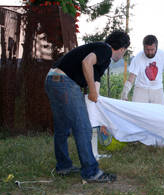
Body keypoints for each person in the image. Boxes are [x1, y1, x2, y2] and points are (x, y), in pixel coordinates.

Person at [45, 30, 130, 183]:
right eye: (124, 52)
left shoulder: (101, 56)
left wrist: (97, 103)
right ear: (122, 48)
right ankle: (91, 172)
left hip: (52, 79)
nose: (122, 55)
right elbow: (86, 63)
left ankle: (64, 166)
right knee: (83, 127)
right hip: (65, 82)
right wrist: (91, 89)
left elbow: (94, 81)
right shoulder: (105, 49)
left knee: (62, 127)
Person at [120, 35, 164, 105]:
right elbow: (131, 77)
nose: (149, 52)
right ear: (143, 47)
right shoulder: (138, 57)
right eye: (147, 50)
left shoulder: (162, 54)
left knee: (159, 115)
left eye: (152, 50)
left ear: (156, 47)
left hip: (157, 90)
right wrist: (125, 93)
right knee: (137, 114)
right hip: (140, 89)